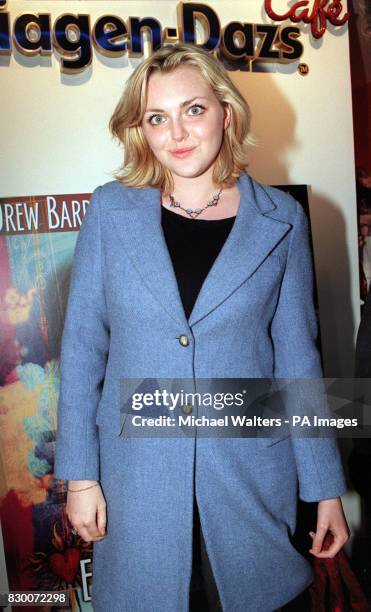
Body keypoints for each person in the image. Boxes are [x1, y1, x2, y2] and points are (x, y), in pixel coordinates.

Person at [54, 43, 350, 612]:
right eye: (156, 118)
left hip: (250, 477)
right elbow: (83, 349)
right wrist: (80, 477)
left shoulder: (280, 219)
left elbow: (298, 363)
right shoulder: (111, 213)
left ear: (226, 110)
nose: (177, 133)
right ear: (140, 129)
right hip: (135, 482)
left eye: (193, 109)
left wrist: (324, 488)